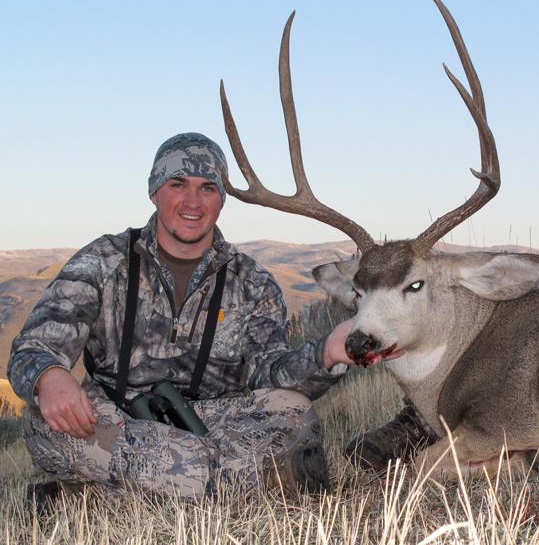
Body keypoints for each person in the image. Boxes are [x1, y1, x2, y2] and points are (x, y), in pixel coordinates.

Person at [8, 132, 356, 504]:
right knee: (45, 422)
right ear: (154, 190)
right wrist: (51, 376)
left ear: (222, 199)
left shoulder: (252, 282)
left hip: (209, 420)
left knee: (294, 413)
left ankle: (97, 499)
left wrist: (327, 354)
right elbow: (34, 347)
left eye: (208, 188)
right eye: (178, 184)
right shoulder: (102, 261)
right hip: (112, 419)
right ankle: (249, 484)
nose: (193, 201)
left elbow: (268, 375)